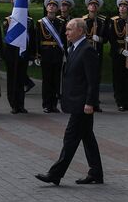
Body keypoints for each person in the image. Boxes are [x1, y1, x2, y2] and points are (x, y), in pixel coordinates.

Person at [35, 18, 103, 186]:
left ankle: (55, 174)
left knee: (70, 138)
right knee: (87, 138)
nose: (66, 32)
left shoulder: (87, 50)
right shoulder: (74, 48)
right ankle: (96, 173)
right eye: (66, 29)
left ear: (80, 31)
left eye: (69, 29)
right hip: (76, 101)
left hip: (82, 104)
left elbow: (93, 80)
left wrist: (90, 103)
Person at [1, 2, 37, 114]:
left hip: (23, 54)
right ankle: (13, 104)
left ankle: (21, 104)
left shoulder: (30, 21)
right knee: (12, 80)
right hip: (11, 54)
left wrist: (31, 56)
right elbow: (8, 37)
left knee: (21, 80)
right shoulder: (8, 20)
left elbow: (32, 39)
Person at [36, 0, 67, 113]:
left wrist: (65, 53)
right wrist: (37, 55)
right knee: (47, 80)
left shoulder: (61, 22)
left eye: (54, 5)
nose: (51, 7)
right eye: (50, 5)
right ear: (46, 7)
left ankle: (54, 104)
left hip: (57, 54)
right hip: (45, 53)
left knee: (56, 80)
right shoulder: (41, 22)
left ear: (57, 8)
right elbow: (37, 39)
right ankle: (46, 104)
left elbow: (64, 39)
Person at [81, 0, 107, 110]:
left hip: (97, 52)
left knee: (96, 78)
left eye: (95, 5)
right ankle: (85, 101)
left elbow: (106, 38)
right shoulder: (83, 20)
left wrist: (99, 39)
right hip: (86, 52)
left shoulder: (102, 21)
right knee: (85, 77)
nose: (93, 6)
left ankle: (95, 102)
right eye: (91, 5)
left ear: (98, 8)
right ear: (87, 7)